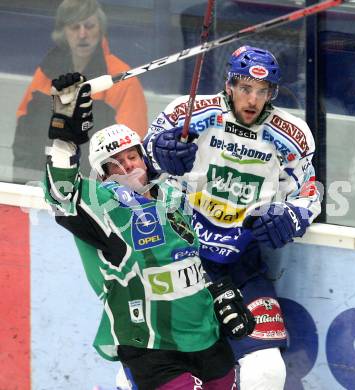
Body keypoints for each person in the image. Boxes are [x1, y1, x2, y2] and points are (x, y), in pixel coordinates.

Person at [43, 72, 255, 389]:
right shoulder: (103, 207)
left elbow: (187, 263)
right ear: (102, 176)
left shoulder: (173, 196)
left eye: (132, 156)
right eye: (117, 164)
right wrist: (65, 140)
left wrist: (217, 294)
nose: (130, 167)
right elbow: (61, 195)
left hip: (204, 337)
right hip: (150, 346)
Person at [143, 45, 322, 389]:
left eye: (262, 91)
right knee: (157, 365)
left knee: (267, 371)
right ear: (229, 85)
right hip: (178, 262)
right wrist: (160, 154)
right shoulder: (188, 112)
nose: (252, 100)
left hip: (242, 267)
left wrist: (291, 218)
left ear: (272, 92)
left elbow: (309, 194)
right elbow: (139, 166)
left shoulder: (292, 135)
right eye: (244, 88)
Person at [13, 0, 147, 183]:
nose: (82, 34)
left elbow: (133, 153)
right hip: (41, 185)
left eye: (89, 26)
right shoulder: (45, 72)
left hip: (100, 194)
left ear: (100, 30)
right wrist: (24, 182)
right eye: (75, 27)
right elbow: (24, 137)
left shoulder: (123, 80)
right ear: (63, 32)